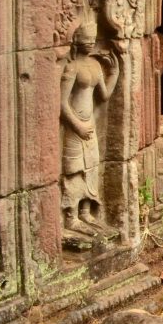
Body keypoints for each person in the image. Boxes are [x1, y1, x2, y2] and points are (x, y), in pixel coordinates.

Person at [60, 22, 121, 235]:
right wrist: (76, 126)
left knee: (91, 168)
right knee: (74, 170)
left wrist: (114, 73)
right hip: (75, 126)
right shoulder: (72, 67)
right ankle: (71, 217)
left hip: (90, 127)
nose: (90, 43)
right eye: (86, 39)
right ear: (76, 41)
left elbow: (103, 96)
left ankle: (86, 211)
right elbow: (61, 102)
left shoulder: (95, 66)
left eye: (92, 40)